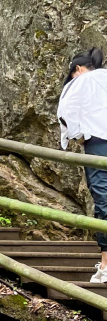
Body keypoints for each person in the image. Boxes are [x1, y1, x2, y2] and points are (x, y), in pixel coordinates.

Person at [57, 46, 107, 283]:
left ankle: (106, 265)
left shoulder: (79, 82)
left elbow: (66, 114)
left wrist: (77, 137)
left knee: (103, 199)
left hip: (97, 144)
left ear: (77, 68)